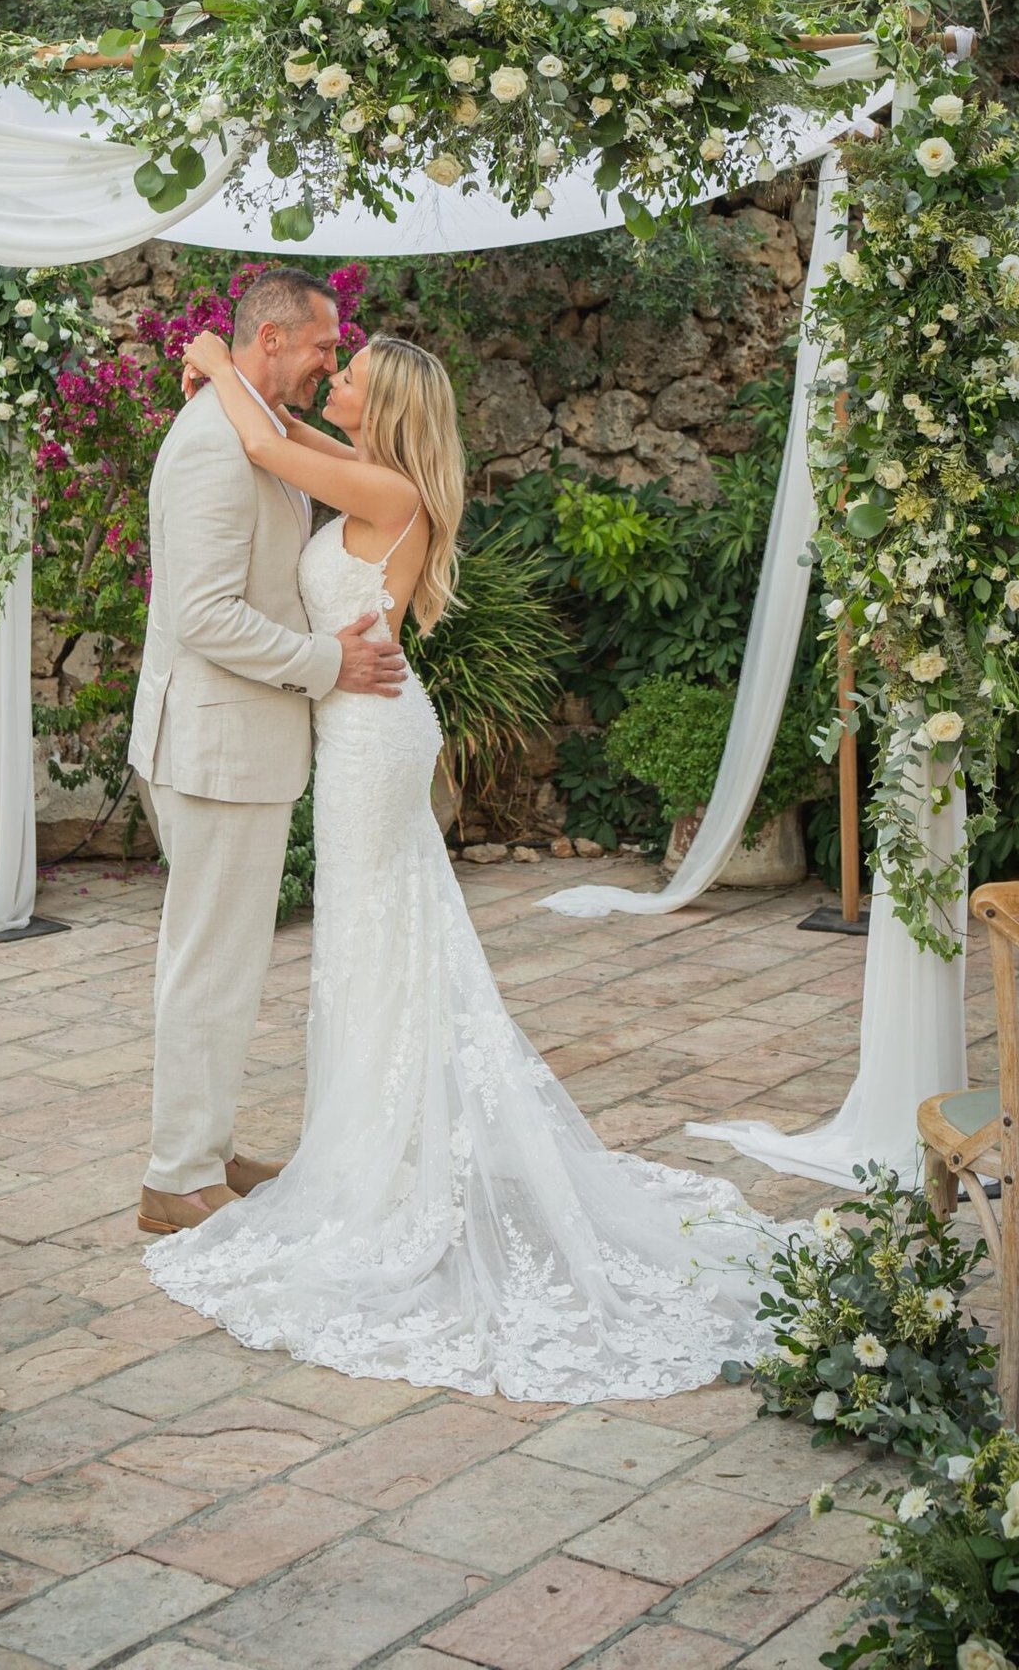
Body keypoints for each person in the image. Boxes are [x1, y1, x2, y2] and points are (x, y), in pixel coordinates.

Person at [142, 313, 779, 1403]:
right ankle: (365, 1144)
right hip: (353, 726)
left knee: (378, 933)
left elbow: (263, 444)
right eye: (327, 362)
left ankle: (379, 1155)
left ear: (380, 407)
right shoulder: (371, 474)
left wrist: (212, 363)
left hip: (368, 737)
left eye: (348, 376)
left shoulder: (387, 496)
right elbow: (276, 430)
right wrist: (233, 372)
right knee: (371, 934)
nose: (330, 381)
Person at [129, 267, 408, 1238]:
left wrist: (214, 365)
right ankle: (174, 1176)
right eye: (325, 347)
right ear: (275, 340)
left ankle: (203, 1151)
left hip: (234, 740)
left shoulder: (246, 422)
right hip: (213, 743)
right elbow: (203, 614)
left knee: (225, 959)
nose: (333, 359)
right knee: (208, 962)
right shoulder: (214, 443)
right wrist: (326, 663)